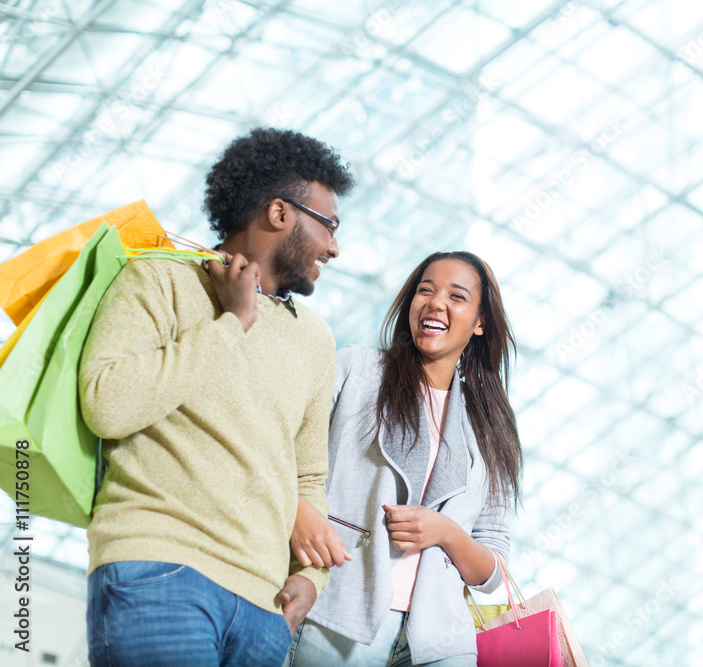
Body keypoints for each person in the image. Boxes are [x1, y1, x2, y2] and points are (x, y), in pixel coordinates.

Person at [79, 127, 354, 666]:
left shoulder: (315, 338)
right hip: (158, 570)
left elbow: (307, 476)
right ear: (280, 213)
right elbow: (106, 403)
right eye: (330, 225)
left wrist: (312, 578)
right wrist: (233, 321)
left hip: (262, 609)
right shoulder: (159, 279)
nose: (335, 247)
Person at [286, 251, 523, 666]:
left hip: (440, 643)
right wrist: (299, 511)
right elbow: (284, 447)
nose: (435, 303)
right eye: (425, 290)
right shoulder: (358, 370)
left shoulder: (489, 423)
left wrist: (447, 532)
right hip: (341, 613)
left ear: (480, 323)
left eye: (457, 296)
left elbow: (492, 572)